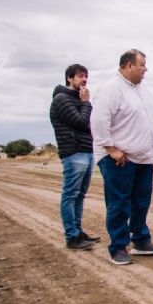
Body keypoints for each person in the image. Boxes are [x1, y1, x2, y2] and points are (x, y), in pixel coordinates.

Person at [91, 49, 153, 266]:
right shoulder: (110, 89)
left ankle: (140, 240)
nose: (145, 69)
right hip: (119, 158)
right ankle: (118, 246)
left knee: (141, 201)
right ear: (129, 65)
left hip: (143, 158)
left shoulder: (144, 90)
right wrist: (111, 149)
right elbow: (98, 121)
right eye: (142, 65)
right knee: (119, 202)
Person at [50, 64, 100, 250]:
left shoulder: (78, 99)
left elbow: (92, 124)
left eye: (86, 76)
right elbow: (81, 122)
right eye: (80, 76)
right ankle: (71, 236)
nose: (84, 79)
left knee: (80, 195)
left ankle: (78, 233)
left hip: (86, 151)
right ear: (69, 78)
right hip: (73, 152)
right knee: (70, 195)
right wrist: (86, 103)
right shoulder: (62, 99)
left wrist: (85, 104)